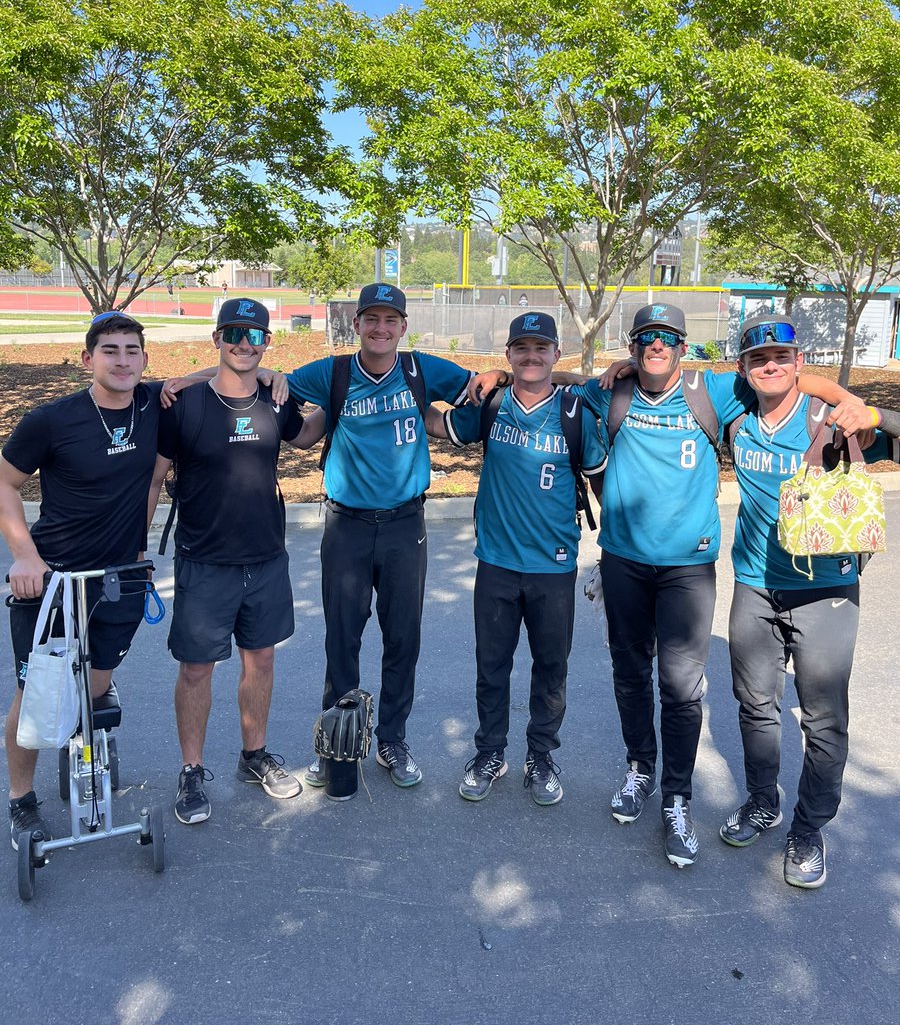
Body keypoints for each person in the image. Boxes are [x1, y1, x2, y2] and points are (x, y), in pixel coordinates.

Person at [473, 302, 871, 866]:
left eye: (667, 338)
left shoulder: (713, 392)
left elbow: (782, 375)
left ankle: (677, 799)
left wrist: (847, 399)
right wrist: (499, 376)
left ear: (684, 346)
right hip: (623, 561)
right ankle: (640, 770)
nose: (656, 347)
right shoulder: (612, 392)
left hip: (688, 566)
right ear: (634, 348)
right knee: (630, 676)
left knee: (681, 688)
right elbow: (554, 376)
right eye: (646, 339)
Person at [719, 313, 898, 888]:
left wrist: (871, 413)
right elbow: (665, 378)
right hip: (755, 583)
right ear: (744, 370)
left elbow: (883, 425)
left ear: (800, 364)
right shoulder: (737, 416)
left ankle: (809, 827)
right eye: (758, 359)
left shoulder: (832, 419)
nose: (770, 365)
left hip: (827, 590)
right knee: (756, 706)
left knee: (823, 717)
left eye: (781, 357)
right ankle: (762, 800)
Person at [285, 283, 476, 790]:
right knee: (341, 640)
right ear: (358, 324)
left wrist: (498, 377)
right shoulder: (335, 372)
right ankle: (336, 742)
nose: (381, 328)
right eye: (371, 318)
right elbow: (268, 383)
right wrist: (185, 382)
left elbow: (481, 388)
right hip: (346, 525)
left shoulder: (419, 369)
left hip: (403, 524)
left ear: (403, 327)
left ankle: (392, 738)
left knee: (402, 639)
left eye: (391, 320)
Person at [147, 299, 323, 825]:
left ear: (267, 342)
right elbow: (155, 480)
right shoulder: (184, 403)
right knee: (197, 669)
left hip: (266, 557)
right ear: (217, 337)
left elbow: (306, 435)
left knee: (261, 660)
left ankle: (254, 757)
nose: (245, 344)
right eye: (235, 334)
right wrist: (138, 548)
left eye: (256, 336)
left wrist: (342, 401)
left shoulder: (276, 398)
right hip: (205, 561)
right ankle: (192, 771)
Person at [1, 312, 165, 849]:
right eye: (110, 350)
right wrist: (24, 556)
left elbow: (219, 380)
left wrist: (270, 376)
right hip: (51, 581)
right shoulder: (52, 420)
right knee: (36, 696)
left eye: (132, 350)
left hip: (120, 578)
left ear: (144, 357)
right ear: (87, 359)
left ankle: (89, 724)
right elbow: (4, 482)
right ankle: (21, 802)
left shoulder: (153, 405)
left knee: (93, 692)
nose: (122, 361)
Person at [427, 312, 605, 805]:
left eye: (541, 348)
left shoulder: (575, 414)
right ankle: (490, 752)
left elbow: (599, 478)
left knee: (551, 667)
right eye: (520, 349)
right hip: (497, 562)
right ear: (507, 354)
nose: (531, 356)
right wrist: (398, 397)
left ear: (555, 353)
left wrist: (613, 544)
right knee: (493, 665)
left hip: (554, 564)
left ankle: (541, 755)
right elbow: (443, 424)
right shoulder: (494, 404)